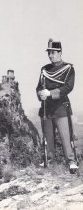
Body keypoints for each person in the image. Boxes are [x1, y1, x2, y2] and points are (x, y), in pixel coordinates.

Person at [36, 39, 78, 173]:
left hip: (61, 108)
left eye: (53, 52)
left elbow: (68, 87)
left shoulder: (68, 69)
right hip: (46, 108)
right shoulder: (44, 69)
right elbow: (38, 87)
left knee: (66, 136)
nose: (50, 55)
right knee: (48, 137)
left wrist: (51, 93)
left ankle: (71, 162)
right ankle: (49, 162)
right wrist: (40, 94)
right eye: (49, 53)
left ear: (60, 52)